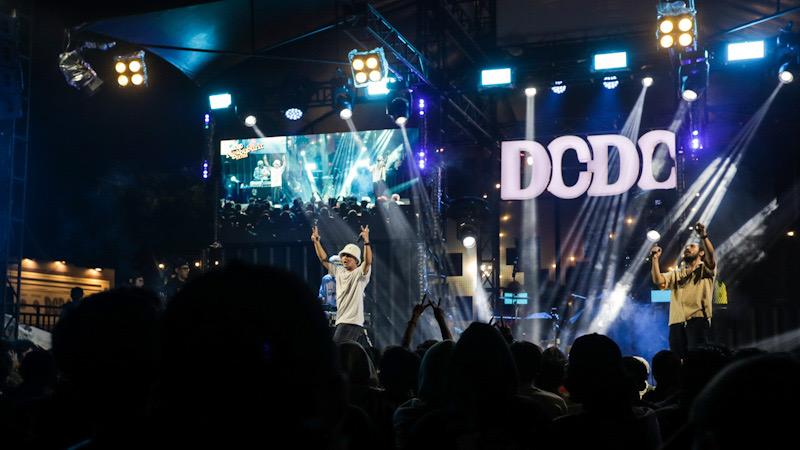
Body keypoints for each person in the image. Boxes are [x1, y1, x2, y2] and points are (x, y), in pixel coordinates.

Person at [651, 222, 717, 358]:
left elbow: (711, 258)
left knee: (697, 359)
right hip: (675, 322)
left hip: (697, 320)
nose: (687, 248)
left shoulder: (705, 270)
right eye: (686, 247)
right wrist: (655, 259)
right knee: (677, 359)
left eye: (692, 246)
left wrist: (704, 236)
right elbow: (658, 280)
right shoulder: (676, 273)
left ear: (701, 252)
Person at [311, 224, 373, 349]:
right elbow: (323, 260)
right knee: (349, 354)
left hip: (351, 322)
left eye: (349, 256)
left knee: (336, 351)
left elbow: (368, 262)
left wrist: (366, 242)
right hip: (343, 321)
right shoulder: (339, 272)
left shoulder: (360, 273)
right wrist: (316, 242)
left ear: (356, 260)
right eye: (343, 255)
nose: (345, 258)